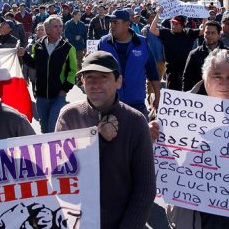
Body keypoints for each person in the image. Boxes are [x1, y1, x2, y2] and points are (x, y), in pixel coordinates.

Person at [150, 49, 229, 229]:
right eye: (217, 76)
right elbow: (154, 163)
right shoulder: (177, 114)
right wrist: (149, 137)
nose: (224, 83)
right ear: (204, 77)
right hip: (193, 216)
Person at [55, 50, 156, 228]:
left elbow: (145, 188)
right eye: (89, 77)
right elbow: (60, 173)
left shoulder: (136, 121)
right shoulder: (69, 116)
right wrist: (98, 141)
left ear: (118, 81)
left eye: (103, 77)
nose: (95, 84)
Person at [19, 15, 77, 133]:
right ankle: (47, 151)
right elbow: (35, 64)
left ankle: (57, 150)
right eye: (56, 26)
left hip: (58, 95)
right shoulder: (38, 45)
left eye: (61, 26)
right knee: (44, 128)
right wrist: (24, 55)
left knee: (52, 128)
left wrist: (65, 89)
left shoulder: (68, 48)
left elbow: (72, 71)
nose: (59, 29)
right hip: (40, 95)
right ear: (47, 29)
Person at [98, 9, 161, 119]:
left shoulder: (142, 43)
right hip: (110, 104)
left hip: (137, 104)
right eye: (111, 22)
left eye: (115, 23)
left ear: (127, 24)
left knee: (141, 135)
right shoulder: (103, 43)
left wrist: (157, 95)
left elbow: (152, 71)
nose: (111, 26)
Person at [150, 6, 204, 91]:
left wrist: (204, 15)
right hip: (171, 70)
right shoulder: (166, 33)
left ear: (183, 25)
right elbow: (152, 29)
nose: (174, 26)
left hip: (186, 68)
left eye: (177, 24)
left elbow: (203, 31)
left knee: (186, 91)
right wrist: (158, 14)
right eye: (172, 23)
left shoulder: (189, 33)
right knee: (172, 92)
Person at [182, 20, 229, 92]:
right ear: (203, 34)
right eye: (207, 32)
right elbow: (187, 79)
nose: (209, 36)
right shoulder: (194, 54)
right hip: (201, 98)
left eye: (213, 33)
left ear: (219, 35)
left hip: (222, 96)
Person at [141, 11, 165, 104]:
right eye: (151, 17)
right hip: (150, 59)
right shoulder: (145, 30)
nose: (154, 18)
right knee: (150, 80)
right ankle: (150, 98)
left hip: (160, 58)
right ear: (147, 19)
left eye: (154, 16)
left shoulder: (161, 28)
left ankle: (157, 97)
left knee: (158, 79)